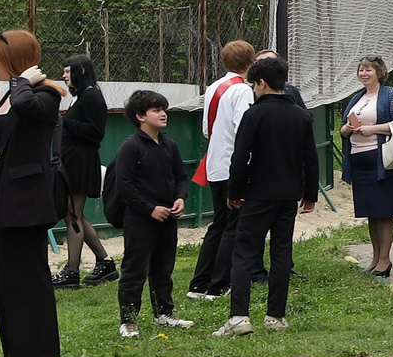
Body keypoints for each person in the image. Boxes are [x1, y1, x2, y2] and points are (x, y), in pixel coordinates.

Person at [0, 30, 64, 357]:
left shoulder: (43, 93)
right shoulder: (9, 96)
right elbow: (3, 137)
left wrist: (22, 81)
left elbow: (29, 110)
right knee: (6, 279)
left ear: (11, 60)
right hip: (2, 198)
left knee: (27, 279)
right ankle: (16, 355)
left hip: (25, 201)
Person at [216, 53, 316, 337]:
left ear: (261, 83)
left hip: (257, 194)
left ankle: (239, 317)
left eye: (254, 85)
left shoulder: (254, 113)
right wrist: (309, 193)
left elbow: (241, 156)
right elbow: (310, 159)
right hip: (288, 195)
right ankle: (275, 316)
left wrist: (233, 191)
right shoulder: (301, 115)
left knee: (245, 252)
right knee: (282, 252)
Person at [109, 90, 193, 339]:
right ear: (140, 116)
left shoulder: (170, 145)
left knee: (163, 268)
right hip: (139, 220)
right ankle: (129, 321)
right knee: (135, 270)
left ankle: (164, 313)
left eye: (163, 109)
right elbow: (124, 185)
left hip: (168, 218)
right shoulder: (130, 147)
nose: (163, 114)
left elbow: (181, 176)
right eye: (156, 110)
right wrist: (149, 208)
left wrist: (180, 198)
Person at [186, 39, 257, 300]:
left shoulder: (215, 86)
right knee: (233, 226)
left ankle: (199, 283)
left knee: (219, 224)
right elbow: (244, 130)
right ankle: (219, 285)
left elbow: (207, 129)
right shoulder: (243, 91)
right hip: (233, 166)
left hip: (214, 163)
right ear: (250, 63)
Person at [341, 56, 393, 279]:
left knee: (384, 210)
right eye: (361, 70)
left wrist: (373, 129)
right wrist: (347, 130)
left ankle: (385, 259)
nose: (363, 74)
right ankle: (375, 257)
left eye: (368, 70)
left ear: (379, 72)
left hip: (384, 163)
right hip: (360, 163)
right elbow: (344, 127)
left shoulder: (391, 95)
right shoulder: (357, 98)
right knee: (371, 212)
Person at [54, 56, 115, 289]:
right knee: (72, 214)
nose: (64, 76)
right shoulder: (82, 97)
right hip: (72, 160)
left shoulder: (92, 97)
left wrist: (63, 122)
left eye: (68, 71)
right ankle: (105, 262)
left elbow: (95, 132)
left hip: (81, 161)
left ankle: (72, 270)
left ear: (81, 71)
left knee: (73, 215)